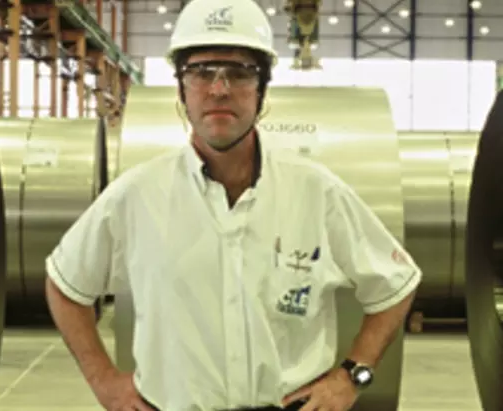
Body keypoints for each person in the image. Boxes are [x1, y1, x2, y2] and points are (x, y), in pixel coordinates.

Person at [44, 0, 423, 409]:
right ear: (181, 88)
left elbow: (396, 283)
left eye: (240, 72)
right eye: (201, 72)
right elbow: (65, 284)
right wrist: (103, 380)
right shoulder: (137, 195)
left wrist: (352, 375)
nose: (219, 89)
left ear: (262, 90)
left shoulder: (315, 192)